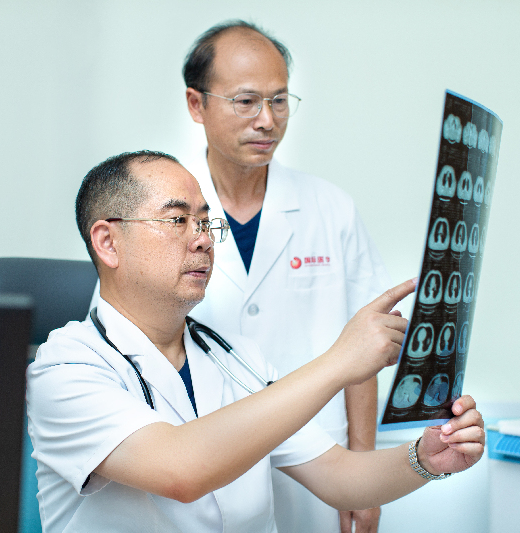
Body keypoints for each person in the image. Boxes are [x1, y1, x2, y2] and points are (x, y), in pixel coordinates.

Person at [28, 150, 485, 533]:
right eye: (178, 220)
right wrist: (339, 362)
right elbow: (180, 470)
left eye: (205, 222)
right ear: (108, 242)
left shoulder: (237, 359)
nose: (203, 241)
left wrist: (426, 458)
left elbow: (340, 477)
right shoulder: (64, 370)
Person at [181, 21, 392, 533]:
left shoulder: (331, 208)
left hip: (319, 458)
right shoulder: (163, 210)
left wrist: (363, 476)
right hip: (201, 459)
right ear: (196, 104)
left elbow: (365, 349)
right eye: (246, 101)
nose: (267, 120)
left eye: (279, 101)